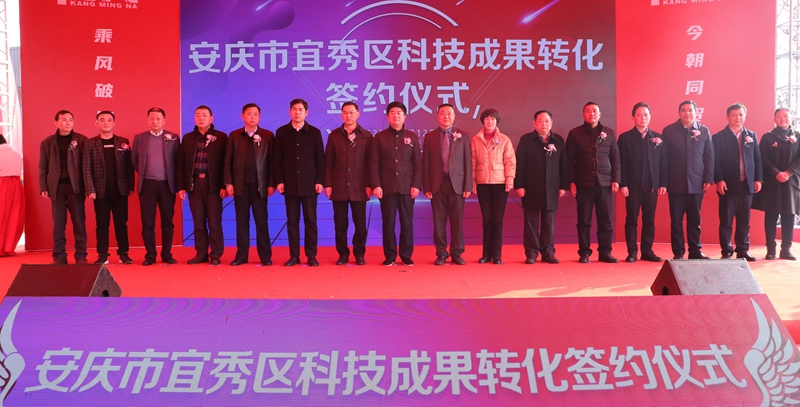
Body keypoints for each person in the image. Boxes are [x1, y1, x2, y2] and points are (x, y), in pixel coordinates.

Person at [369, 101, 422, 266]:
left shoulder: (412, 137)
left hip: (407, 187)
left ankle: (406, 255)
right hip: (387, 188)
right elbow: (373, 163)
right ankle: (390, 256)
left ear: (404, 116)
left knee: (407, 223)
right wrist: (376, 185)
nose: (396, 115)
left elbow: (417, 163)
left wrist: (416, 185)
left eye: (399, 113)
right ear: (387, 116)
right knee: (388, 223)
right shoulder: (380, 137)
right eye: (392, 113)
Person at [566, 102, 620, 263]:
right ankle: (584, 253)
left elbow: (615, 158)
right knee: (584, 221)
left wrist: (616, 179)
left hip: (605, 184)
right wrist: (571, 181)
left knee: (606, 221)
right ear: (583, 115)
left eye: (595, 111)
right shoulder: (575, 133)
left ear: (600, 114)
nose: (592, 114)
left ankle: (605, 252)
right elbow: (569, 160)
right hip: (583, 184)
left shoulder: (609, 133)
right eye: (588, 111)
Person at [273, 98, 325, 267]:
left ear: (306, 113)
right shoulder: (281, 132)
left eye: (301, 109)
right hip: (289, 183)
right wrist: (279, 181)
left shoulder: (314, 132)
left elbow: (320, 159)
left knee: (311, 221)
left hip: (310, 184)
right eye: (294, 109)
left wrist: (319, 181)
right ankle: (294, 255)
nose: (297, 112)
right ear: (290, 111)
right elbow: (276, 159)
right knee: (292, 222)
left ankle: (311, 255)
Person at [662, 100, 714, 260]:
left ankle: (695, 251)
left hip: (697, 183)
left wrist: (708, 178)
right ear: (679, 113)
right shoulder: (669, 131)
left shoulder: (704, 131)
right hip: (675, 183)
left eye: (690, 110)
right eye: (683, 110)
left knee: (695, 220)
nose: (687, 113)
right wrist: (664, 182)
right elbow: (663, 159)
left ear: (696, 112)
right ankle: (678, 252)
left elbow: (709, 156)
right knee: (676, 221)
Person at [224, 103, 275, 266]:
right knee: (241, 222)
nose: (252, 117)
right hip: (240, 186)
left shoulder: (268, 136)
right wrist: (228, 183)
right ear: (242, 116)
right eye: (249, 114)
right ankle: (241, 256)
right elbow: (228, 161)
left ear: (259, 117)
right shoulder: (234, 136)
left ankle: (265, 256)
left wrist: (271, 183)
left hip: (260, 186)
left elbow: (272, 162)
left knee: (262, 222)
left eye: (255, 114)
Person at [515, 110, 568, 264]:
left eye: (547, 121)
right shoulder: (526, 140)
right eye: (540, 121)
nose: (544, 124)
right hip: (531, 187)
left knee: (549, 222)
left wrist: (563, 186)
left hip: (552, 187)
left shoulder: (558, 141)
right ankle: (531, 253)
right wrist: (520, 185)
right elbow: (520, 164)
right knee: (531, 222)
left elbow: (563, 164)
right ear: (534, 123)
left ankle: (548, 252)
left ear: (551, 123)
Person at [177, 105, 228, 266]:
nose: (201, 118)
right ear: (194, 118)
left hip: (213, 185)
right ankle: (201, 253)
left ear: (211, 119)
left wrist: (224, 185)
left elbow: (226, 163)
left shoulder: (221, 137)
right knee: (198, 222)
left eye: (204, 115)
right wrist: (182, 186)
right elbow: (181, 163)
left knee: (214, 221)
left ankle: (216, 254)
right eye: (198, 115)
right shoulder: (188, 138)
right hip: (194, 184)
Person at [82, 111, 134, 265]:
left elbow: (129, 167)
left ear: (114, 123)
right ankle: (102, 254)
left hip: (120, 190)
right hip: (100, 191)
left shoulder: (123, 142)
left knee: (121, 224)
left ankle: (123, 253)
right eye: (102, 120)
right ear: (96, 123)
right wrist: (90, 188)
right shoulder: (90, 143)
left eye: (109, 120)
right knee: (102, 224)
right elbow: (86, 168)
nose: (106, 123)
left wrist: (130, 186)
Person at [324, 102, 373, 266]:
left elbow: (371, 164)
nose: (348, 115)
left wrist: (369, 184)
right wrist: (328, 184)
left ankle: (359, 254)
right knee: (340, 224)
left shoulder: (367, 136)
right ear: (341, 115)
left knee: (360, 224)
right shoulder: (334, 136)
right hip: (339, 186)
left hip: (360, 187)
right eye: (345, 112)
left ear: (358, 114)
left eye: (352, 112)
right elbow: (328, 162)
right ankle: (343, 254)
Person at [423, 104, 472, 266]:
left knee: (457, 222)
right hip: (437, 184)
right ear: (437, 116)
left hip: (457, 184)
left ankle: (457, 253)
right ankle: (441, 253)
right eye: (443, 113)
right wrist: (427, 186)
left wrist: (467, 186)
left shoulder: (463, 135)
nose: (446, 116)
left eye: (449, 113)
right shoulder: (430, 137)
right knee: (439, 222)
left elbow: (467, 161)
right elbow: (425, 162)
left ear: (454, 116)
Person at [712, 103, 762, 261]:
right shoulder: (719, 137)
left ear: (745, 116)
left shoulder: (751, 135)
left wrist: (758, 179)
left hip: (746, 184)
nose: (738, 117)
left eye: (741, 114)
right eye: (734, 114)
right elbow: (715, 161)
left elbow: (757, 158)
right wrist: (719, 180)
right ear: (727, 117)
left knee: (744, 221)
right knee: (726, 221)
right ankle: (726, 251)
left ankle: (742, 250)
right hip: (727, 185)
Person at [618, 102, 667, 263]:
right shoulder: (625, 138)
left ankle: (647, 251)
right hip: (632, 187)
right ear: (633, 117)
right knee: (632, 219)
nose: (643, 118)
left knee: (649, 221)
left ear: (650, 116)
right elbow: (621, 163)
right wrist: (623, 184)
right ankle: (632, 252)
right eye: (639, 115)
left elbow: (663, 162)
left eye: (646, 115)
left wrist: (663, 183)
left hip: (652, 187)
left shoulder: (657, 138)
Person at [39, 110, 88, 265]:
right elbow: (42, 166)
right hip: (56, 187)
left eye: (71, 119)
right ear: (56, 123)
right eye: (64, 120)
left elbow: (86, 166)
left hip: (76, 187)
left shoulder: (82, 140)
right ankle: (59, 257)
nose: (68, 122)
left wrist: (88, 186)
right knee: (58, 224)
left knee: (79, 222)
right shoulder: (47, 142)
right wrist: (43, 186)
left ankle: (81, 256)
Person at [132, 107, 180, 266]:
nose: (155, 121)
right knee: (147, 223)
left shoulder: (173, 137)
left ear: (164, 120)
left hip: (167, 185)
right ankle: (150, 255)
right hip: (147, 185)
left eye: (158, 118)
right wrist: (145, 173)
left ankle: (167, 254)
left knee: (168, 222)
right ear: (147, 120)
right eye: (152, 118)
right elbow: (134, 160)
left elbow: (178, 161)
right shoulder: (139, 138)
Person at [752, 108, 800, 260]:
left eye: (785, 116)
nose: (782, 118)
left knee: (789, 215)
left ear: (791, 117)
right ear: (774, 119)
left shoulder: (798, 135)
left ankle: (786, 249)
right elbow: (762, 158)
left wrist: (788, 172)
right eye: (779, 116)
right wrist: (776, 173)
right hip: (772, 181)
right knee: (771, 215)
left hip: (791, 181)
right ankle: (771, 249)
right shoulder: (768, 137)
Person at [470, 108, 516, 264]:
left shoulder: (504, 139)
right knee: (487, 219)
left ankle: (496, 255)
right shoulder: (476, 139)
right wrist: (473, 182)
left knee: (497, 220)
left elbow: (510, 161)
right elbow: (472, 162)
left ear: (497, 121)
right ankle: (486, 254)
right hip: (482, 184)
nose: (490, 122)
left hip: (500, 184)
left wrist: (509, 179)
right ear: (483, 121)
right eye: (487, 119)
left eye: (493, 119)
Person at [0, 134, 24, 257]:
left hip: (1, 183)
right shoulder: (16, 154)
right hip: (16, 184)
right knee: (13, 216)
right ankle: (8, 247)